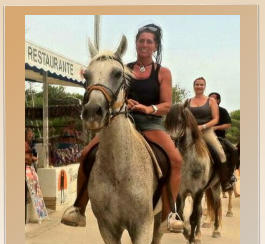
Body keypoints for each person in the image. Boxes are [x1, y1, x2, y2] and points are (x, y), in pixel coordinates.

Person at [61, 23, 183, 228]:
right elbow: (113, 93)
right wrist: (125, 103)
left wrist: (148, 108)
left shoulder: (163, 72)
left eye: (149, 41)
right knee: (86, 154)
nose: (144, 44)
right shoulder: (120, 69)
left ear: (155, 46)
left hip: (151, 124)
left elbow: (166, 105)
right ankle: (78, 208)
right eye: (141, 40)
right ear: (135, 44)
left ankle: (170, 214)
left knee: (176, 160)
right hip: (121, 121)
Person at [185, 77, 231, 192]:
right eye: (197, 84)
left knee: (220, 152)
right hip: (190, 131)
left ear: (204, 86)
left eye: (201, 85)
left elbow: (215, 119)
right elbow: (184, 117)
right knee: (174, 148)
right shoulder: (188, 101)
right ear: (193, 86)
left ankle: (224, 181)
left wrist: (203, 126)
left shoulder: (211, 101)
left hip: (206, 131)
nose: (199, 86)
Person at [209, 92, 239, 198]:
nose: (210, 100)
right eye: (209, 98)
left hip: (220, 138)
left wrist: (216, 128)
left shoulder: (223, 111)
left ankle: (229, 176)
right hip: (204, 136)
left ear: (218, 101)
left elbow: (228, 124)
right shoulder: (205, 111)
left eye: (213, 98)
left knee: (234, 150)